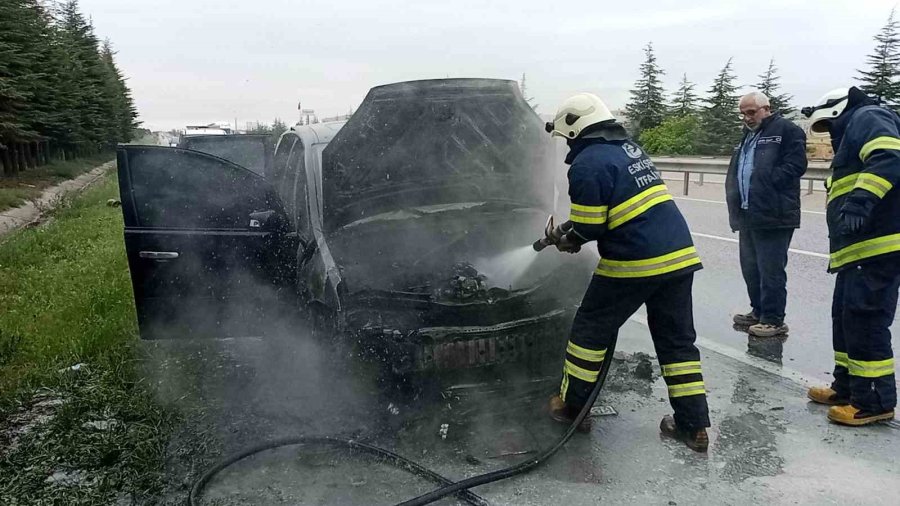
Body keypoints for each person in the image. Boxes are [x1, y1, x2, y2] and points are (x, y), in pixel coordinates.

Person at [542, 93, 711, 452]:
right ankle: (692, 425)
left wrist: (568, 240)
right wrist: (572, 230)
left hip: (634, 261)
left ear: (574, 130)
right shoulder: (629, 150)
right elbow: (612, 209)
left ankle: (573, 407)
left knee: (589, 333)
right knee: (677, 342)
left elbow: (589, 227)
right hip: (679, 256)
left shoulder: (586, 163)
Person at [802, 86, 897, 426]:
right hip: (857, 248)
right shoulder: (856, 125)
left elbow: (889, 156)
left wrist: (860, 201)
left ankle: (874, 401)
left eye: (827, 127)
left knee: (866, 319)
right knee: (845, 317)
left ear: (836, 111)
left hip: (878, 246)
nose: (828, 135)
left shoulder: (867, 117)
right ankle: (847, 387)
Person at [725, 91, 808, 337]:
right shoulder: (747, 136)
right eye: (743, 114)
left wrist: (769, 182)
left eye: (751, 112)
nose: (747, 118)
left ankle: (774, 319)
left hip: (774, 214)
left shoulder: (786, 130)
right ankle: (758, 311)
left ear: (766, 108)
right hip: (748, 214)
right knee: (751, 268)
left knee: (770, 269)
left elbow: (796, 165)